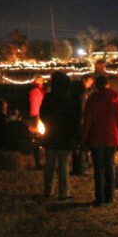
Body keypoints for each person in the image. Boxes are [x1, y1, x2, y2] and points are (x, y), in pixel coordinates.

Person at [82, 75, 118, 205]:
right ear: (108, 84)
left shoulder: (93, 98)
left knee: (98, 168)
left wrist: (84, 138)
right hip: (112, 136)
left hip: (96, 136)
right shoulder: (115, 97)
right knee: (110, 166)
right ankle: (110, 196)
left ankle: (99, 197)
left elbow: (88, 120)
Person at [40, 72, 80, 200]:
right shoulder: (69, 99)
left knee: (49, 165)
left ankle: (48, 190)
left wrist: (49, 124)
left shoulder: (48, 97)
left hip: (51, 135)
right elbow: (74, 118)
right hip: (65, 136)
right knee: (63, 165)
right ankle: (64, 192)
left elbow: (43, 114)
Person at [70, 74, 95, 175]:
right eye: (89, 82)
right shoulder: (82, 94)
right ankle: (81, 167)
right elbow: (82, 108)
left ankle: (77, 167)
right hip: (81, 121)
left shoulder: (73, 92)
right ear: (85, 80)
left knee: (76, 146)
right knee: (82, 145)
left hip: (75, 120)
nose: (90, 85)